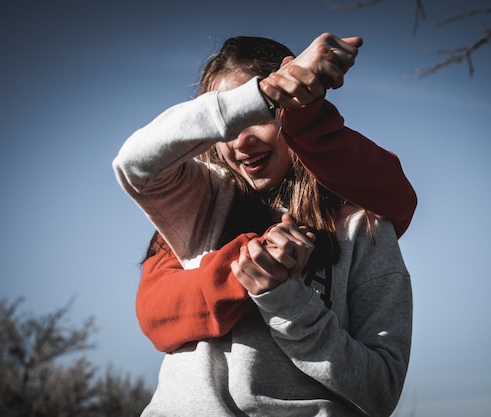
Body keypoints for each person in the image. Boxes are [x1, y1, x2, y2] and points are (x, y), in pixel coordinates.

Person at [113, 33, 414, 417]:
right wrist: (264, 94)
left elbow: (380, 389)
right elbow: (133, 163)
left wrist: (287, 303)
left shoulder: (363, 225)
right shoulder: (203, 197)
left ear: (293, 109)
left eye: (258, 119)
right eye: (229, 125)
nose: (241, 142)